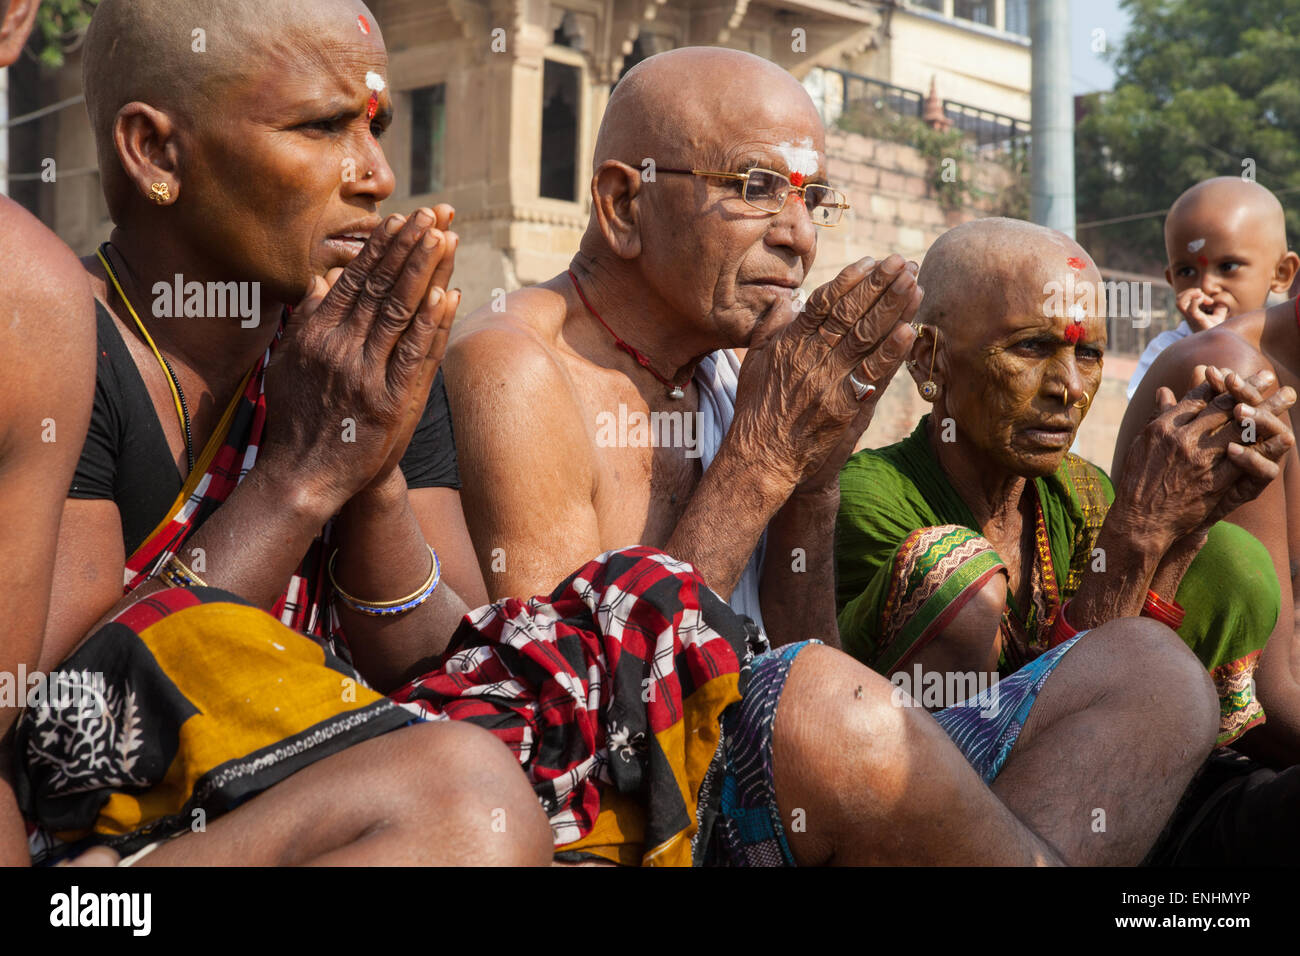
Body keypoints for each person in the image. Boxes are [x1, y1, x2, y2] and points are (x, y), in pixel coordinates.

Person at [435, 48, 1224, 865]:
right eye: (756, 189)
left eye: (813, 199)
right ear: (624, 202)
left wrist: (812, 482)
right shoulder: (522, 366)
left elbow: (802, 648)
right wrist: (764, 458)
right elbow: (583, 716)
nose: (800, 237)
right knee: (828, 706)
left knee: (1154, 674)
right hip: (645, 803)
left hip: (793, 765)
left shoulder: (738, 364)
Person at [16, 0, 553, 867]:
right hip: (97, 863)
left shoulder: (361, 354)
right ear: (155, 152)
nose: (375, 174)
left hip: (328, 808)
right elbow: (78, 739)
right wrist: (301, 479)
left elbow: (447, 670)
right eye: (322, 127)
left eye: (374, 126)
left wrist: (369, 468)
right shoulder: (60, 355)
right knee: (465, 810)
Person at [835, 218, 1298, 864]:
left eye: (1086, 354)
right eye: (1030, 348)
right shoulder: (871, 498)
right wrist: (1139, 529)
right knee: (955, 572)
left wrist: (1183, 530)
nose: (1069, 388)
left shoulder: (1078, 491)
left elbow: (1136, 674)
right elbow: (1023, 746)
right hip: (949, 819)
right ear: (930, 361)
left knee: (1231, 562)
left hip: (1098, 805)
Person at [1117, 217, 1300, 864]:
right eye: (1190, 270)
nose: (1207, 286)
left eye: (1230, 266)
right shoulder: (1234, 378)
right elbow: (1267, 701)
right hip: (1188, 770)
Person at [0, 0, 97, 866]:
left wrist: (354, 481)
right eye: (319, 127)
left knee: (460, 801)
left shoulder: (33, 300)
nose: (369, 174)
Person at [1126, 177, 1299, 399]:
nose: (1206, 286)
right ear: (1171, 280)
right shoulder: (1167, 351)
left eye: (1228, 267)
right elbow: (1145, 422)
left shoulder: (1289, 345)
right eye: (1186, 272)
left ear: (1282, 272)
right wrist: (1211, 344)